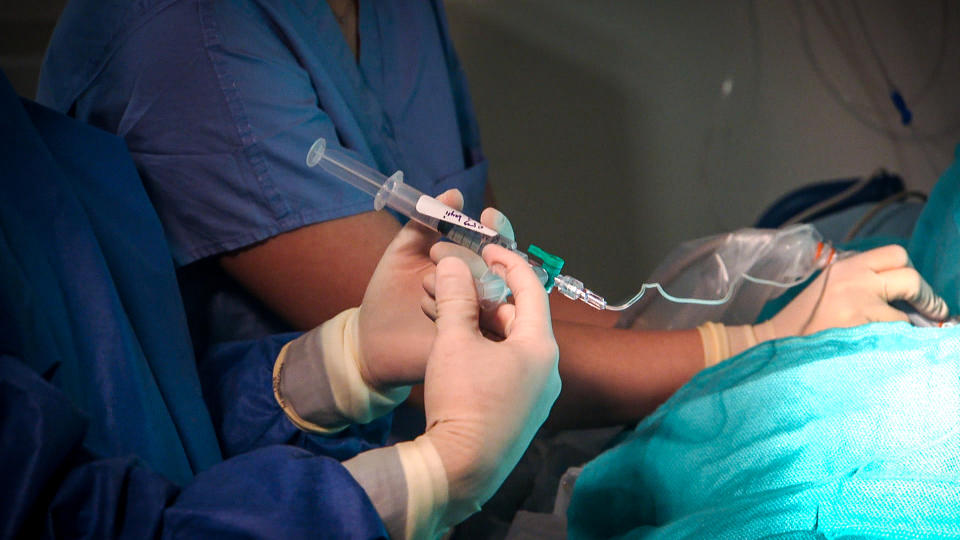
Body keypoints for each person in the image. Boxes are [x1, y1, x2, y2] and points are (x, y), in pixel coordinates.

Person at [36, 0, 948, 435]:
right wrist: (753, 350)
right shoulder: (180, 39)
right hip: (294, 491)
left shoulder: (394, 14)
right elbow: (469, 339)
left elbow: (505, 274)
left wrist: (732, 313)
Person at [1, 71, 560, 537]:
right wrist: (429, 477)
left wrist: (342, 366)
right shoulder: (186, 53)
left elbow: (150, 421)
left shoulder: (29, 147)